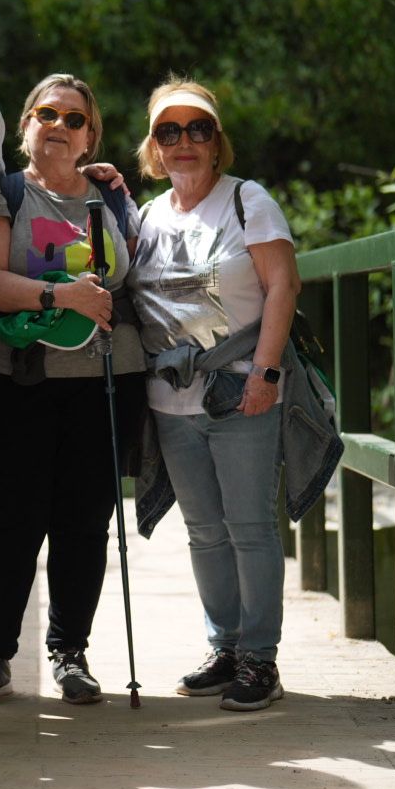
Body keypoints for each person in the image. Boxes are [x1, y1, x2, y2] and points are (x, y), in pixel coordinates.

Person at [0, 74, 146, 707]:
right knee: (9, 521)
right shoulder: (4, 192)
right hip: (14, 379)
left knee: (85, 523)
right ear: (25, 125)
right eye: (46, 114)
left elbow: (146, 274)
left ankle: (70, 651)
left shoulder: (113, 198)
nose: (59, 127)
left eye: (74, 119)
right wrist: (63, 296)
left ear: (91, 135)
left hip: (103, 381)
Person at [126, 77, 301, 712]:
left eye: (197, 129)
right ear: (154, 146)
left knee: (250, 526)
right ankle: (225, 646)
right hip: (171, 401)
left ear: (216, 139)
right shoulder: (145, 216)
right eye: (168, 132)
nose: (184, 143)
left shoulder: (247, 201)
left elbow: (282, 285)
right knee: (203, 529)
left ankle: (260, 658)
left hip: (240, 391)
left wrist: (267, 371)